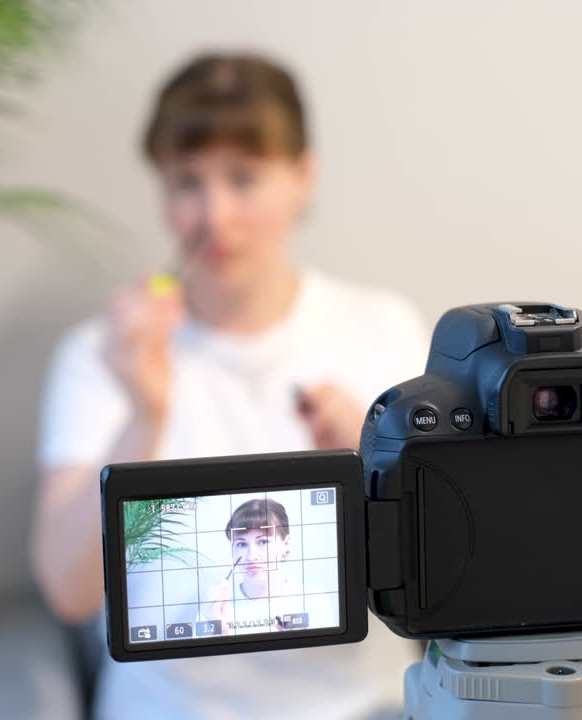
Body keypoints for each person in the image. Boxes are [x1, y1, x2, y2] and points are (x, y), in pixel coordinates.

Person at [30, 51, 431, 719]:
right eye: (187, 182)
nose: (214, 216)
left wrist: (377, 461)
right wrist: (143, 413)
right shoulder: (99, 356)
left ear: (303, 178)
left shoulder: (384, 330)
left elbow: (452, 577)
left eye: (244, 178)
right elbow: (68, 592)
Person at [204, 498, 338, 636]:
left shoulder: (315, 601)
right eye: (241, 544)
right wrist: (222, 632)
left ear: (286, 544)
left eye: (263, 542)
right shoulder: (214, 608)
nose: (252, 556)